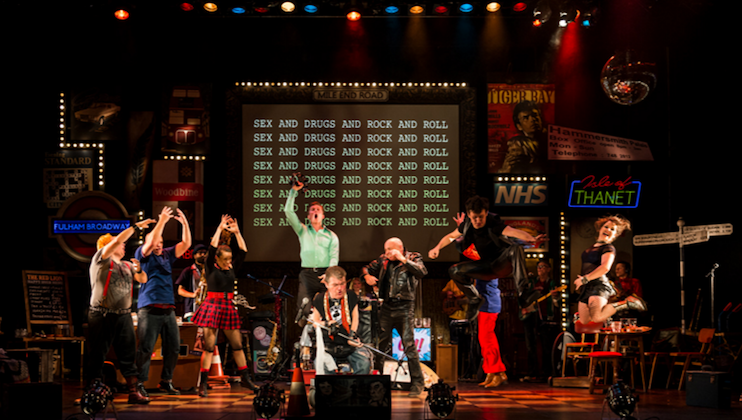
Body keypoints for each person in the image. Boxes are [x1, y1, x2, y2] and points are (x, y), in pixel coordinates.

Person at [428, 195, 545, 388]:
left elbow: (513, 231)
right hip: (484, 294)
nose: (478, 221)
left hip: (491, 294)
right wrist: (437, 247)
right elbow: (452, 237)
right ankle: (496, 372)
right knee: (484, 338)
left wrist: (532, 238)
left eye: (480, 217)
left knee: (486, 337)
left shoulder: (491, 225)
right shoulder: (472, 251)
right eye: (474, 218)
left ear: (485, 214)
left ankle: (496, 371)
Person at [86, 218, 155, 404]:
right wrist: (135, 227)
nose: (124, 245)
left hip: (123, 315)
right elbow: (117, 241)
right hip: (102, 314)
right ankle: (94, 392)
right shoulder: (100, 258)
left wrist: (139, 269)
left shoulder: (125, 265)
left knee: (128, 355)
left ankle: (133, 391)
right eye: (121, 243)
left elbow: (143, 279)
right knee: (98, 354)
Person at [193, 215, 258, 397]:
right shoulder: (210, 267)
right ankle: (203, 384)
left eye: (230, 259)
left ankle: (246, 378)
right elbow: (212, 248)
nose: (229, 262)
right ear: (217, 259)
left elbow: (243, 251)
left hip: (227, 305)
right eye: (226, 259)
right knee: (209, 346)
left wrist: (237, 233)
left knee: (237, 344)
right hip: (212, 305)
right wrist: (220, 228)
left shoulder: (232, 269)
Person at [134, 206, 192, 396]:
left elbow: (186, 244)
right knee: (146, 347)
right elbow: (149, 243)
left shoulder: (167, 254)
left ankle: (166, 381)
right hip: (149, 308)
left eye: (161, 242)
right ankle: (139, 383)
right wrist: (163, 221)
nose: (159, 245)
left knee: (173, 347)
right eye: (156, 241)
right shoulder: (143, 254)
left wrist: (184, 224)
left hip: (168, 308)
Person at [362, 237, 428, 397]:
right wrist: (366, 276)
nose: (385, 254)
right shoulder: (384, 260)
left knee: (409, 345)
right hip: (387, 306)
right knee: (381, 344)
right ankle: (380, 382)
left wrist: (403, 259)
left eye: (388, 250)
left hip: (405, 306)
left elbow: (422, 272)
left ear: (397, 249)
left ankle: (417, 383)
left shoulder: (413, 257)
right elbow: (366, 268)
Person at [285, 179, 339, 323]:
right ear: (308, 216)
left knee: (328, 308)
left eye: (318, 210)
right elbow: (288, 212)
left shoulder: (331, 236)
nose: (315, 212)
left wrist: (329, 275)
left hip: (324, 274)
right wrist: (294, 191)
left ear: (323, 216)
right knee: (303, 308)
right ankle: (305, 339)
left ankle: (328, 339)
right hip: (307, 274)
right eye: (312, 210)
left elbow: (334, 257)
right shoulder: (303, 230)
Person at [575, 215, 647, 325]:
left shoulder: (608, 248)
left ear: (615, 235)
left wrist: (585, 279)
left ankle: (628, 303)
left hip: (598, 285)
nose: (608, 230)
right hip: (587, 286)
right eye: (606, 227)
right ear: (600, 228)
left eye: (612, 229)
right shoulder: (592, 247)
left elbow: (605, 267)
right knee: (584, 320)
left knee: (597, 317)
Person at [311, 266, 371, 376]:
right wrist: (327, 323)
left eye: (342, 284)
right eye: (335, 285)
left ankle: (356, 390)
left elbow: (355, 318)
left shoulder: (350, 295)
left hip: (348, 345)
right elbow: (314, 322)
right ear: (327, 284)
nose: (339, 289)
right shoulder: (320, 298)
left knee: (364, 363)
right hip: (329, 346)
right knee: (323, 367)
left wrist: (352, 336)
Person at [520, 260, 561, 381]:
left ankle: (546, 373)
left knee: (546, 346)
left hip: (545, 317)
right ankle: (532, 372)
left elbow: (558, 304)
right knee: (530, 345)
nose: (540, 268)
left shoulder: (552, 283)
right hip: (530, 317)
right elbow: (523, 297)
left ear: (549, 269)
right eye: (539, 267)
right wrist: (524, 308)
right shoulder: (532, 282)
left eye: (543, 267)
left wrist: (555, 297)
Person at [498, 100, 546, 174]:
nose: (532, 120)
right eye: (526, 118)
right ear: (519, 126)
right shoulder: (516, 144)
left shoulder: (551, 140)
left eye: (535, 115)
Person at [175, 243, 207, 318]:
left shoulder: (209, 271)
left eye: (205, 253)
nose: (203, 255)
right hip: (192, 310)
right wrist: (193, 295)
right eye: (200, 253)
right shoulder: (188, 271)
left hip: (207, 309)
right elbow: (180, 291)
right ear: (194, 255)